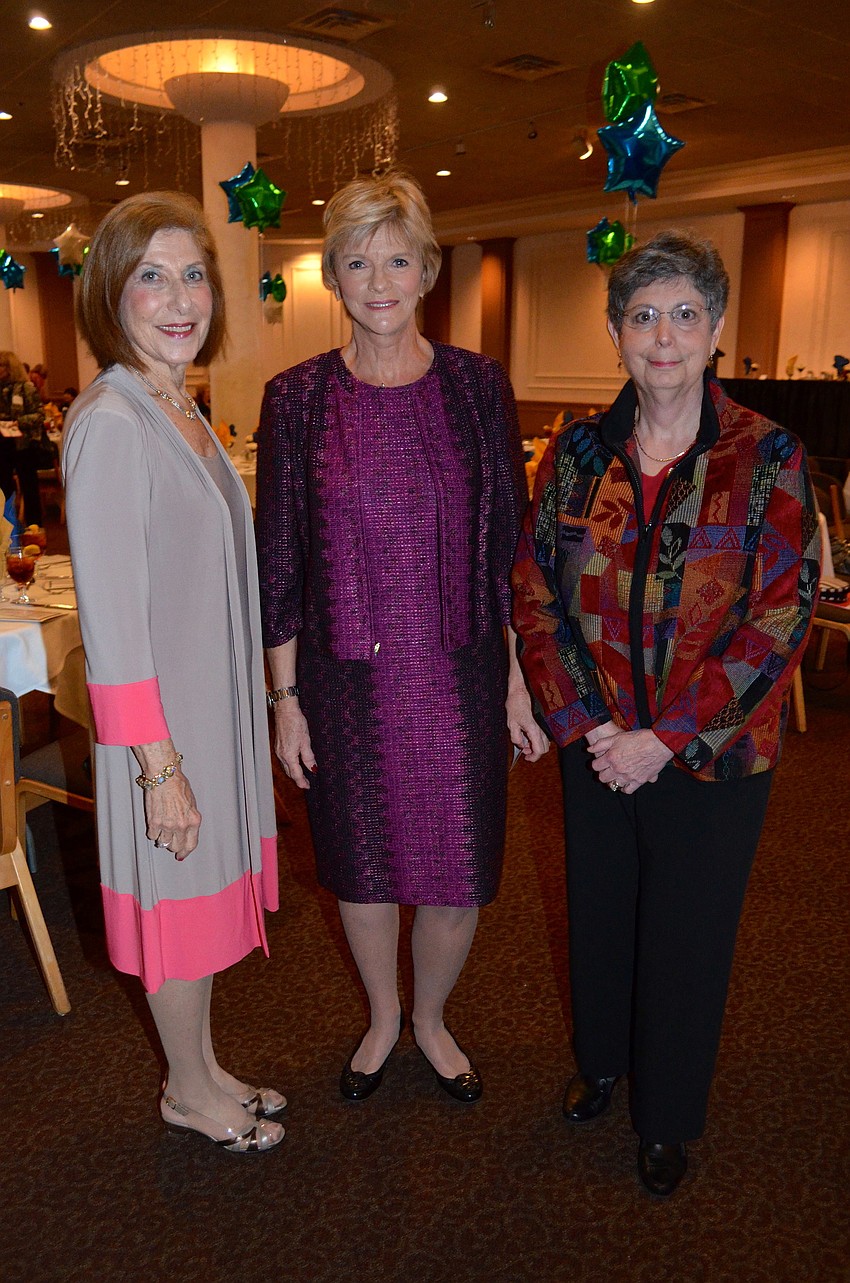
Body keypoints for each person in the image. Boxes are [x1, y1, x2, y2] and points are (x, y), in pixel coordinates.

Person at [512, 231, 819, 1196]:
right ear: (614, 334)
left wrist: (666, 738)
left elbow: (779, 615)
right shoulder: (576, 452)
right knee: (598, 915)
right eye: (643, 316)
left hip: (710, 758)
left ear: (715, 328)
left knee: (687, 934)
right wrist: (591, 727)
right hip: (598, 743)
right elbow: (533, 589)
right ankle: (602, 1063)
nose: (664, 336)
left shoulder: (766, 454)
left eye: (685, 314)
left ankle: (668, 1113)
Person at [256, 171, 547, 1105]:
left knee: (458, 866)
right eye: (354, 261)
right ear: (333, 277)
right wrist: (284, 699)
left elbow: (512, 547)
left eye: (395, 259)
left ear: (425, 269)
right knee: (363, 859)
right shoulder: (295, 398)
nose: (377, 280)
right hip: (343, 679)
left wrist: (515, 683)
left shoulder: (476, 387)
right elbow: (279, 560)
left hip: (459, 670)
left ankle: (432, 1017)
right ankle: (384, 1014)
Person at [63, 191, 284, 1154]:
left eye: (193, 273)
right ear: (112, 292)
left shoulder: (178, 404)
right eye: (150, 275)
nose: (179, 296)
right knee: (175, 918)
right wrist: (160, 766)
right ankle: (187, 1090)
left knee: (199, 914)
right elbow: (110, 618)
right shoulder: (113, 419)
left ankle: (201, 1065)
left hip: (205, 712)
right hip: (163, 733)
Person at [0, 350, 45, 524]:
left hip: (23, 446)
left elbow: (39, 415)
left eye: (1, 365)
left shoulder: (26, 388)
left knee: (29, 489)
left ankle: (34, 529)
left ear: (9, 367)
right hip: (3, 445)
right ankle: (8, 530)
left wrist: (18, 422)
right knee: (4, 490)